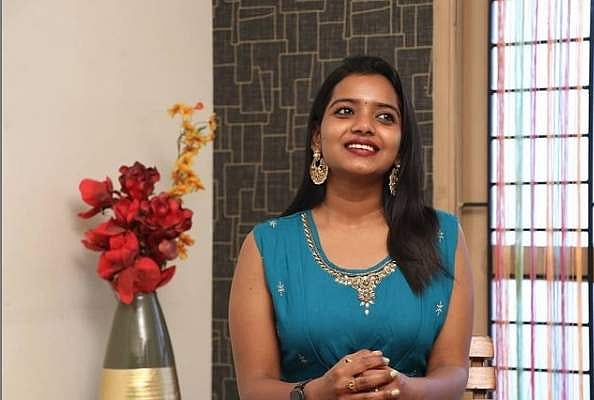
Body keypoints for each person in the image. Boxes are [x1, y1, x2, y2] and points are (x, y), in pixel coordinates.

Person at [228, 55, 473, 400]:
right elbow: (253, 387)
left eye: (385, 117)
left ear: (400, 145)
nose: (364, 126)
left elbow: (453, 371)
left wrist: (405, 390)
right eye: (345, 111)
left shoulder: (442, 236)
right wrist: (316, 393)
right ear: (317, 137)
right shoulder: (267, 245)